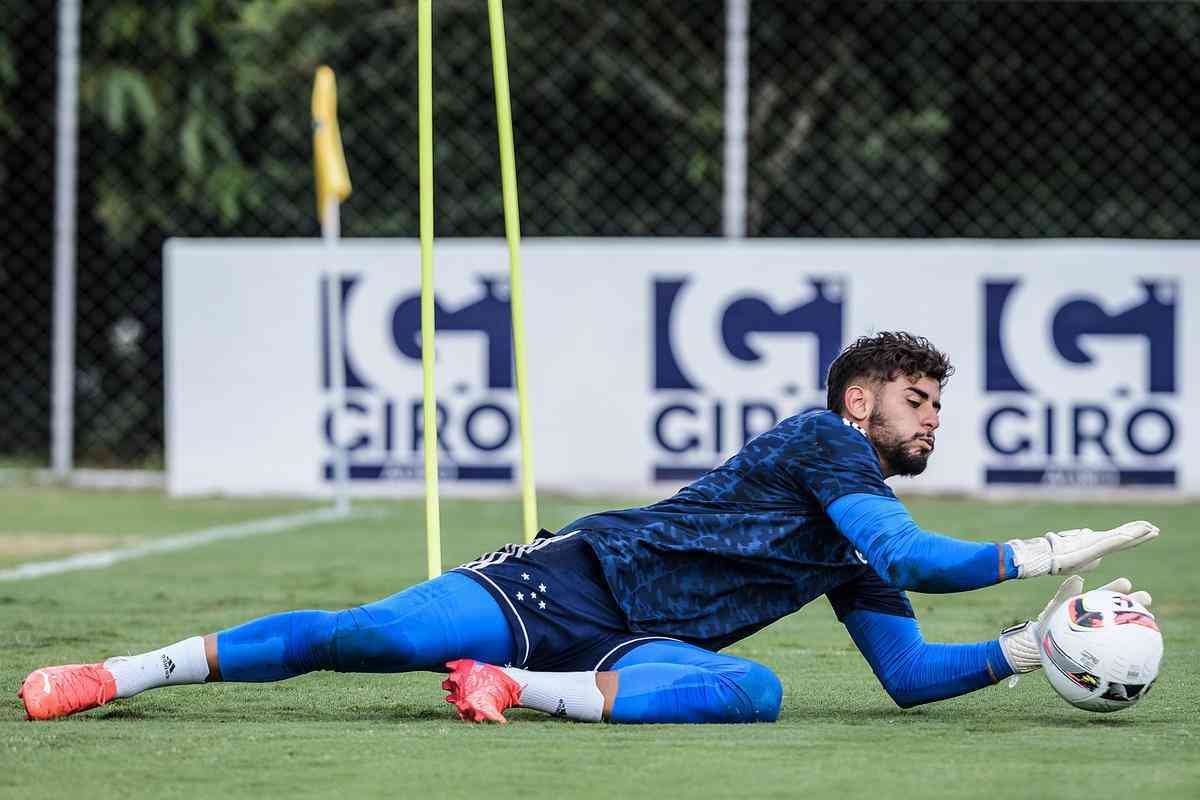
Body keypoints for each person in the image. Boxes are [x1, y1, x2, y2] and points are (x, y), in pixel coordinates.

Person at [19, 332, 1158, 724]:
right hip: (572, 581)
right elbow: (919, 558)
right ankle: (119, 672)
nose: (934, 418)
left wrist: (1023, 648)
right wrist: (1052, 551)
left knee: (754, 694)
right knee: (362, 635)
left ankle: (514, 689)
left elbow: (905, 672)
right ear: (860, 400)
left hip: (626, 651)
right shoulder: (827, 442)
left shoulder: (855, 525)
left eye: (938, 405)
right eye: (920, 399)